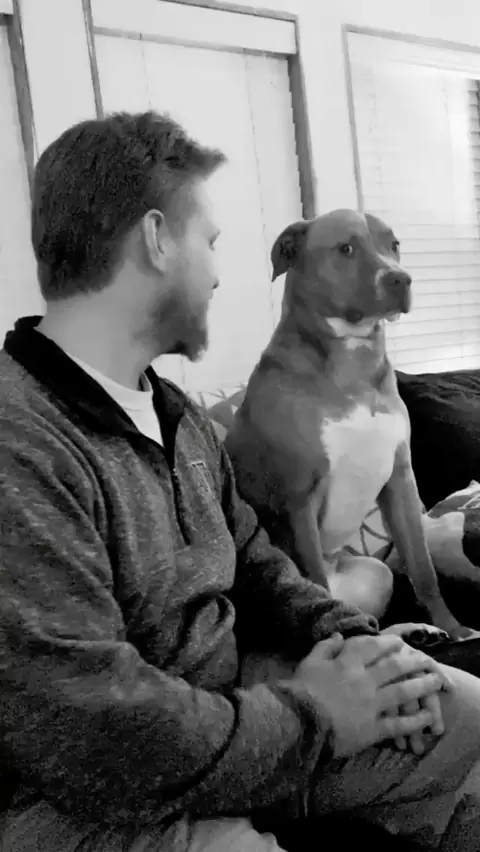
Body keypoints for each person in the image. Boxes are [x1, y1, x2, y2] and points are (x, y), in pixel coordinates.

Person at [0, 111, 480, 852]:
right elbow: (92, 727)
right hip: (89, 794)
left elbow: (256, 563)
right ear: (157, 240)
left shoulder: (178, 417)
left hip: (242, 714)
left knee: (458, 706)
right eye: (212, 242)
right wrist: (317, 716)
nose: (221, 275)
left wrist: (357, 645)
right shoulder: (22, 441)